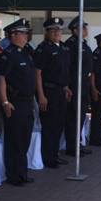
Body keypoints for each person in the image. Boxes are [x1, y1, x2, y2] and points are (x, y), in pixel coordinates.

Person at [0, 18, 35, 186]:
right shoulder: (9, 54)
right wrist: (5, 102)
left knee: (24, 140)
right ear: (13, 35)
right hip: (15, 102)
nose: (26, 36)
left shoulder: (25, 52)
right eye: (22, 33)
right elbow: (1, 78)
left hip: (27, 102)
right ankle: (13, 175)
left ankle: (22, 172)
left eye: (26, 33)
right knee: (14, 140)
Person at [34, 17, 71, 169]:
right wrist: (41, 95)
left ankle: (55, 154)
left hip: (61, 91)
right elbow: (37, 73)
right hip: (49, 91)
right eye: (53, 30)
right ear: (47, 32)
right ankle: (48, 157)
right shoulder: (43, 49)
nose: (56, 33)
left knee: (58, 124)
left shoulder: (62, 48)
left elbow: (64, 71)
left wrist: (67, 88)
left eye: (59, 30)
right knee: (49, 125)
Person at [63, 16, 93, 157]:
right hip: (75, 83)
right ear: (75, 31)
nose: (86, 30)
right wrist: (68, 86)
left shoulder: (83, 44)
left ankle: (78, 144)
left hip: (83, 82)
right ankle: (72, 147)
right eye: (83, 27)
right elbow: (67, 67)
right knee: (73, 117)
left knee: (80, 117)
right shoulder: (71, 44)